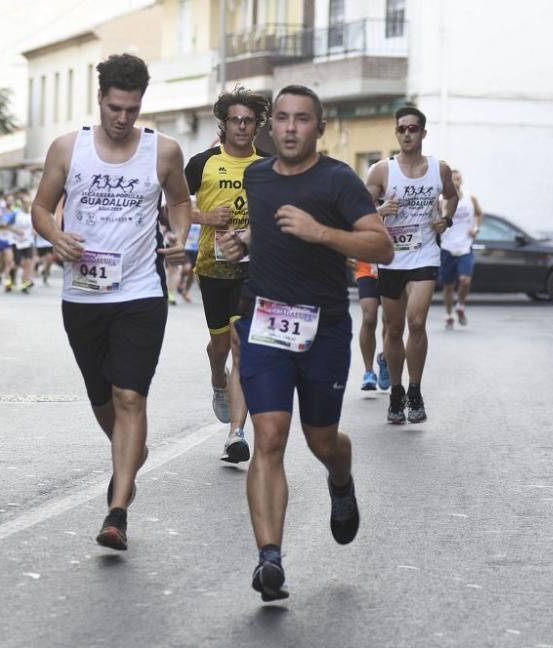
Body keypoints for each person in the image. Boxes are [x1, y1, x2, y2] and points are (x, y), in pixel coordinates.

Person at [217, 85, 392, 601]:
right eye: (284, 120)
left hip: (324, 328)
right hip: (265, 323)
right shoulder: (258, 175)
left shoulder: (338, 180)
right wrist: (240, 243)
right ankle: (269, 559)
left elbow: (380, 243)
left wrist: (322, 233)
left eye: (302, 120)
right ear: (273, 128)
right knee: (269, 438)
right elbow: (266, 232)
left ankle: (340, 476)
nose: (291, 128)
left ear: (318, 127)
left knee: (321, 441)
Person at [31, 53, 191, 551]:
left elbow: (180, 201)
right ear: (99, 100)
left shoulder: (162, 152)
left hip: (141, 291)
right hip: (82, 295)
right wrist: (55, 236)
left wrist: (181, 233)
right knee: (102, 397)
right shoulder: (67, 149)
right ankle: (129, 459)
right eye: (115, 108)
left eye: (132, 109)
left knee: (130, 397)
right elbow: (39, 207)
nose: (122, 119)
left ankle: (117, 511)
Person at [184, 86, 269, 463]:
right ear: (223, 124)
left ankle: (236, 433)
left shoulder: (268, 166)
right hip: (213, 267)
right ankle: (218, 380)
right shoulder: (201, 163)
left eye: (248, 120)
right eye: (235, 119)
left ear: (257, 126)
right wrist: (204, 217)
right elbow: (169, 206)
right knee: (220, 347)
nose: (241, 126)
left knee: (241, 345)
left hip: (255, 269)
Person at [365, 106, 458, 424]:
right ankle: (396, 391)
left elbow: (452, 196)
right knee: (393, 328)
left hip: (425, 254)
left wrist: (445, 219)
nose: (407, 134)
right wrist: (379, 210)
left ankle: (415, 391)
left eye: (413, 129)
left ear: (423, 133)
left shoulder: (439, 169)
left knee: (416, 323)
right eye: (401, 129)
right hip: (391, 258)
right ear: (396, 133)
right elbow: (360, 208)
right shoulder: (381, 170)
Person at [439, 169, 482, 327]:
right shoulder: (442, 199)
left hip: (465, 245)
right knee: (448, 286)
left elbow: (478, 214)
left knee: (465, 280)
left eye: (458, 178)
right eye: (453, 179)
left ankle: (461, 306)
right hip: (447, 246)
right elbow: (436, 218)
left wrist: (476, 228)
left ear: (461, 180)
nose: (456, 181)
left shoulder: (471, 198)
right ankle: (448, 314)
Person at [353, 260, 389, 391]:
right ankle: (369, 372)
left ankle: (385, 359)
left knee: (389, 320)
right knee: (369, 319)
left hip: (393, 268)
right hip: (366, 268)